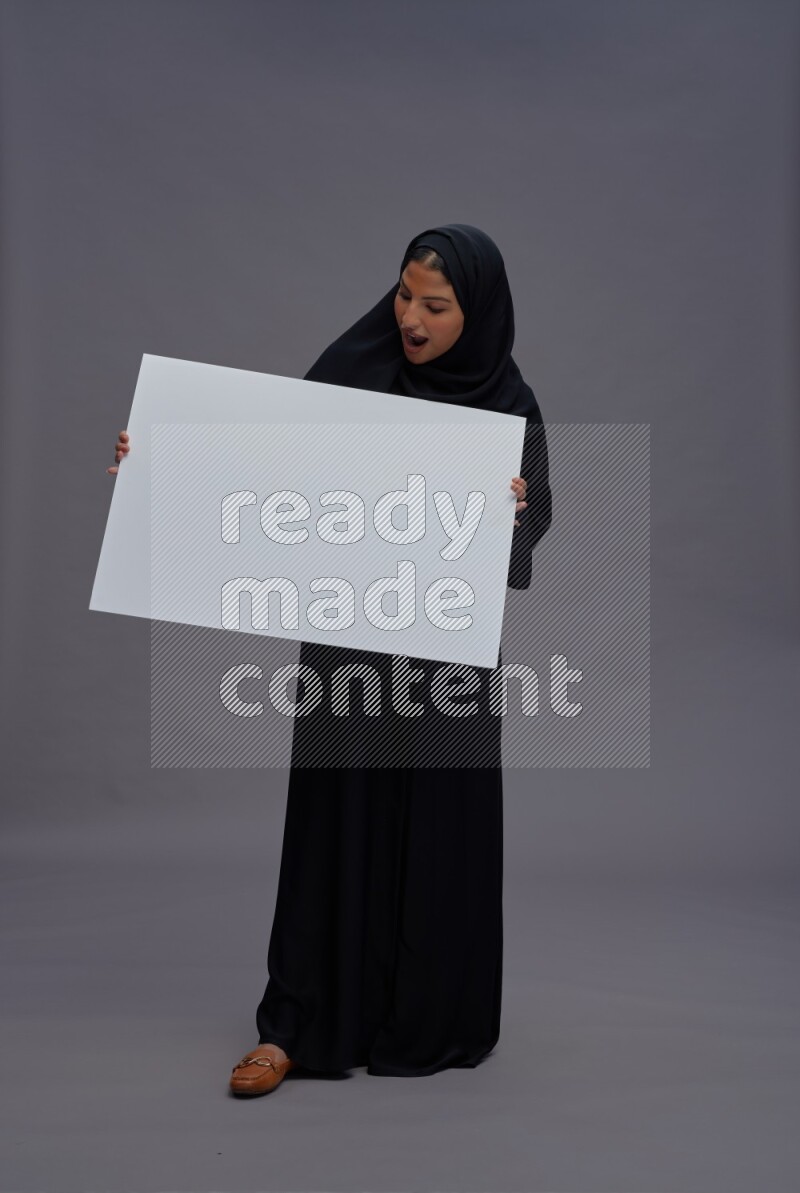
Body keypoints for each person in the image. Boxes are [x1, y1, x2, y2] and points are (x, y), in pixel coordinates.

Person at [107, 223, 552, 1096]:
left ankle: (432, 1018)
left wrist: (514, 512)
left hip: (446, 664)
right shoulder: (355, 374)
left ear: (480, 309)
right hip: (349, 645)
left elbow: (525, 545)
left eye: (436, 303)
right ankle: (298, 1025)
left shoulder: (510, 409)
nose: (412, 318)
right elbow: (261, 475)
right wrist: (156, 462)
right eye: (403, 296)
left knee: (438, 827)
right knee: (332, 826)